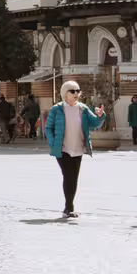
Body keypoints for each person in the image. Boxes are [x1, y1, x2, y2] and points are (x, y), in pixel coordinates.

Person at [44, 80, 103, 219]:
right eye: (72, 91)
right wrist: (53, 143)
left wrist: (101, 116)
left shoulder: (83, 108)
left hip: (78, 148)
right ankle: (68, 208)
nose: (76, 93)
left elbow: (95, 123)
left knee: (74, 178)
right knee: (68, 176)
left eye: (78, 91)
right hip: (62, 149)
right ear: (65, 93)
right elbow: (48, 128)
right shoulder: (57, 109)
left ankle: (69, 207)